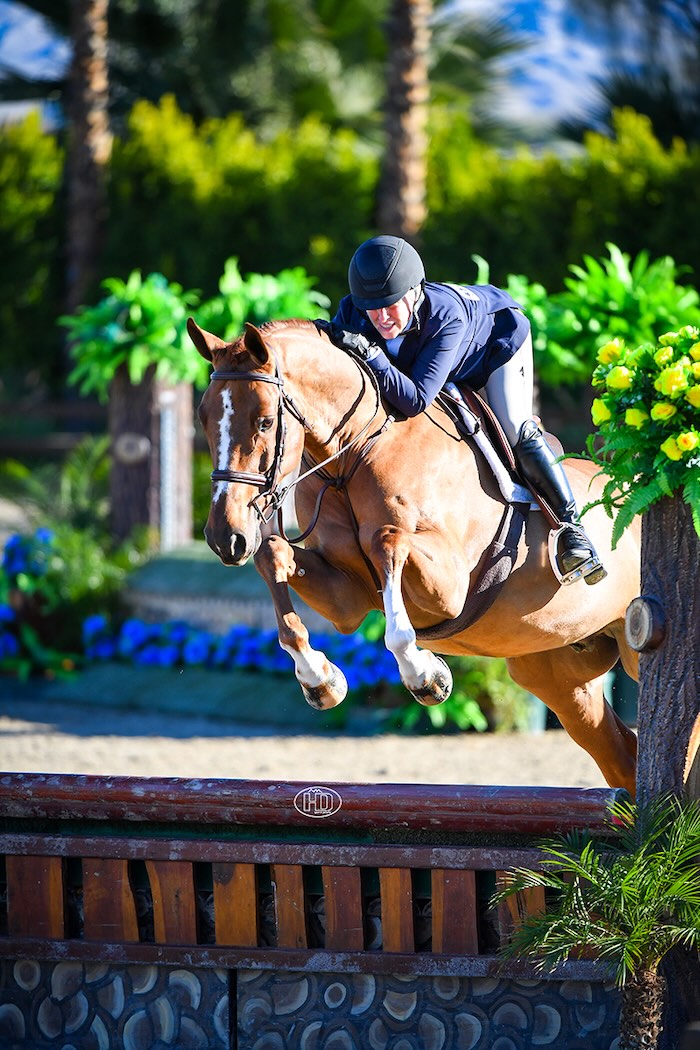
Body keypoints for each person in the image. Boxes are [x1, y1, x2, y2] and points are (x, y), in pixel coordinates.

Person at [328, 234, 606, 586]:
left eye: (391, 304)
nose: (381, 317)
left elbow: (414, 399)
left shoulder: (446, 318)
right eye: (372, 305)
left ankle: (573, 530)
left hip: (496, 346)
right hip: (435, 361)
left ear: (414, 291)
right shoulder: (354, 310)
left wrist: (372, 355)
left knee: (515, 428)